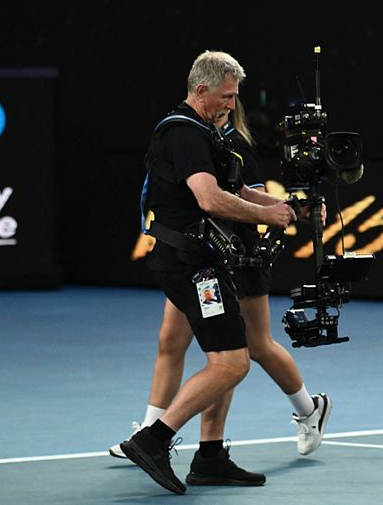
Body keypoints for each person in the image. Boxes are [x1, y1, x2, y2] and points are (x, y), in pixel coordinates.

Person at [111, 98, 332, 463]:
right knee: (172, 341)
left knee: (251, 347)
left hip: (237, 257)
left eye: (230, 102)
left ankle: (309, 409)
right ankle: (148, 432)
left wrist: (290, 209)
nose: (223, 108)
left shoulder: (235, 144)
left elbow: (248, 202)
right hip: (197, 255)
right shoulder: (197, 137)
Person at [119, 51, 299, 494]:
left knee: (228, 353)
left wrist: (279, 208)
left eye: (234, 97)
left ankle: (211, 457)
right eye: (225, 96)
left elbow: (233, 190)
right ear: (201, 90)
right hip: (191, 265)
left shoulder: (207, 133)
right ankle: (152, 440)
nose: (230, 105)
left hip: (207, 261)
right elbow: (210, 200)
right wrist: (268, 218)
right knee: (231, 362)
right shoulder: (183, 134)